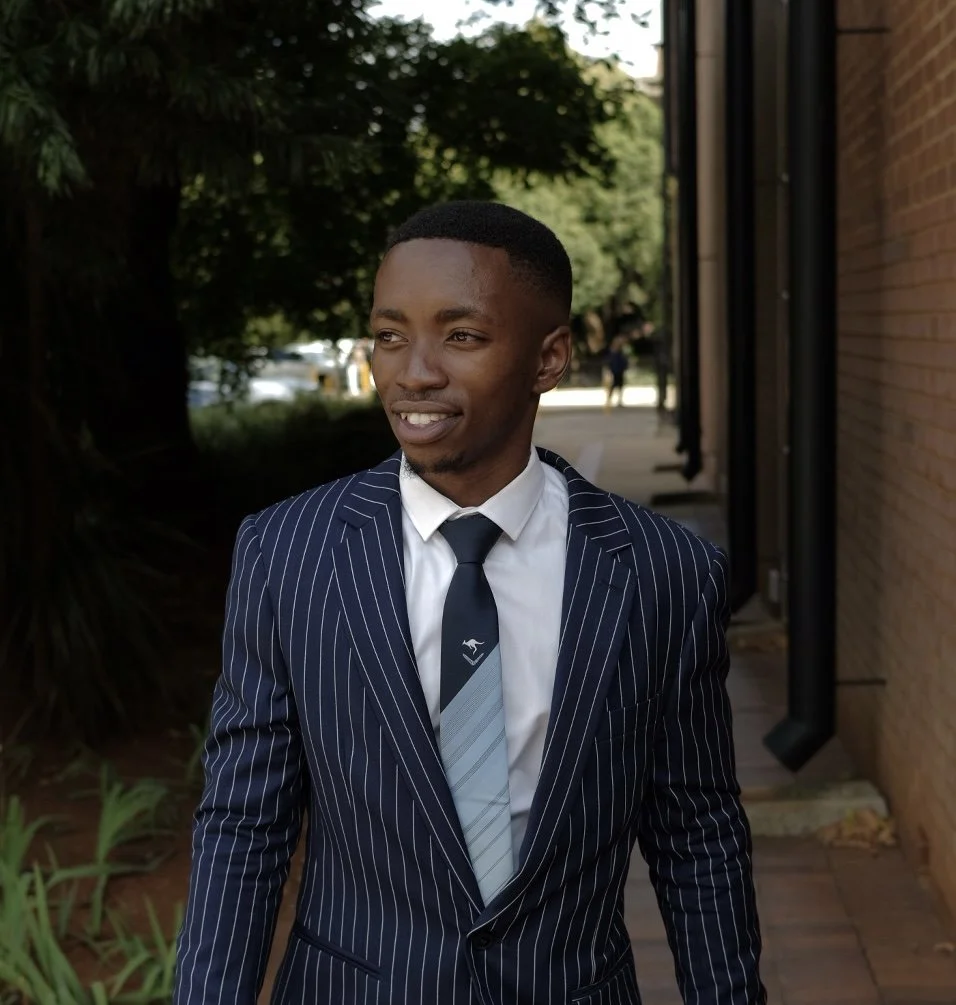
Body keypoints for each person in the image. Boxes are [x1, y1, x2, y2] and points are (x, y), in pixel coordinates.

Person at [174, 201, 766, 1004]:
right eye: (390, 335)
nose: (414, 371)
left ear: (548, 357)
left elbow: (697, 834)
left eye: (462, 336)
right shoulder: (289, 553)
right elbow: (246, 823)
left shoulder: (663, 573)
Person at [604, 334, 629, 411]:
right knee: (613, 385)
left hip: (620, 370)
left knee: (620, 385)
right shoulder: (613, 352)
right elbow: (610, 362)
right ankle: (609, 399)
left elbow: (623, 361)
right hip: (615, 370)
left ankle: (619, 400)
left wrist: (624, 367)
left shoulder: (620, 352)